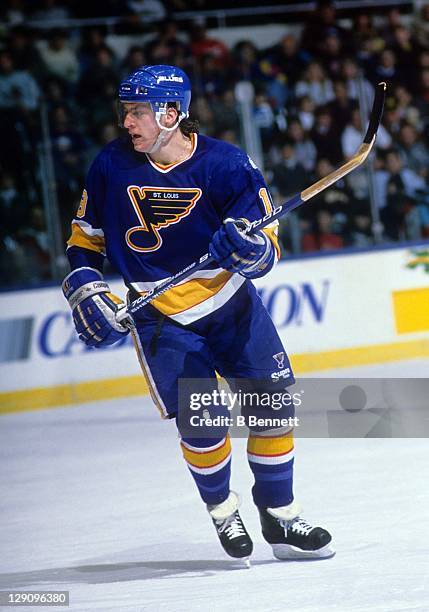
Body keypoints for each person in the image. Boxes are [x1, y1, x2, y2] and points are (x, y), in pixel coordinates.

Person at [62, 65, 334, 563]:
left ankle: (280, 515)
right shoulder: (110, 167)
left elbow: (266, 250)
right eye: (126, 111)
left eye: (139, 111)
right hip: (161, 315)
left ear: (171, 113)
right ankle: (222, 509)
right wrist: (86, 289)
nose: (128, 122)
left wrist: (247, 252)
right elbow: (85, 241)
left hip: (230, 302)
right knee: (203, 423)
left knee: (272, 412)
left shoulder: (228, 164)